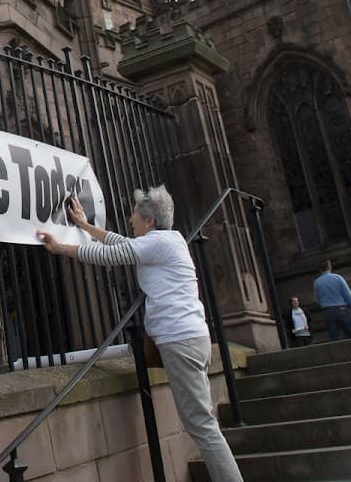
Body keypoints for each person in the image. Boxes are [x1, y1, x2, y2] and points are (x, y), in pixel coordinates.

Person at [36, 185, 243, 482]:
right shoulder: (168, 241)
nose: (131, 221)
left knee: (202, 426)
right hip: (191, 338)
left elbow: (112, 254)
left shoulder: (158, 244)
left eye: (134, 216)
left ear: (149, 221)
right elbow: (119, 242)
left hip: (180, 340)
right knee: (202, 423)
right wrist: (83, 225)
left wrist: (61, 249)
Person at [313, 259, 351, 340]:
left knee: (334, 339)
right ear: (330, 267)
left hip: (327, 311)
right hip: (341, 309)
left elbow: (317, 299)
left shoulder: (317, 282)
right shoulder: (338, 278)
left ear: (319, 270)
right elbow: (348, 295)